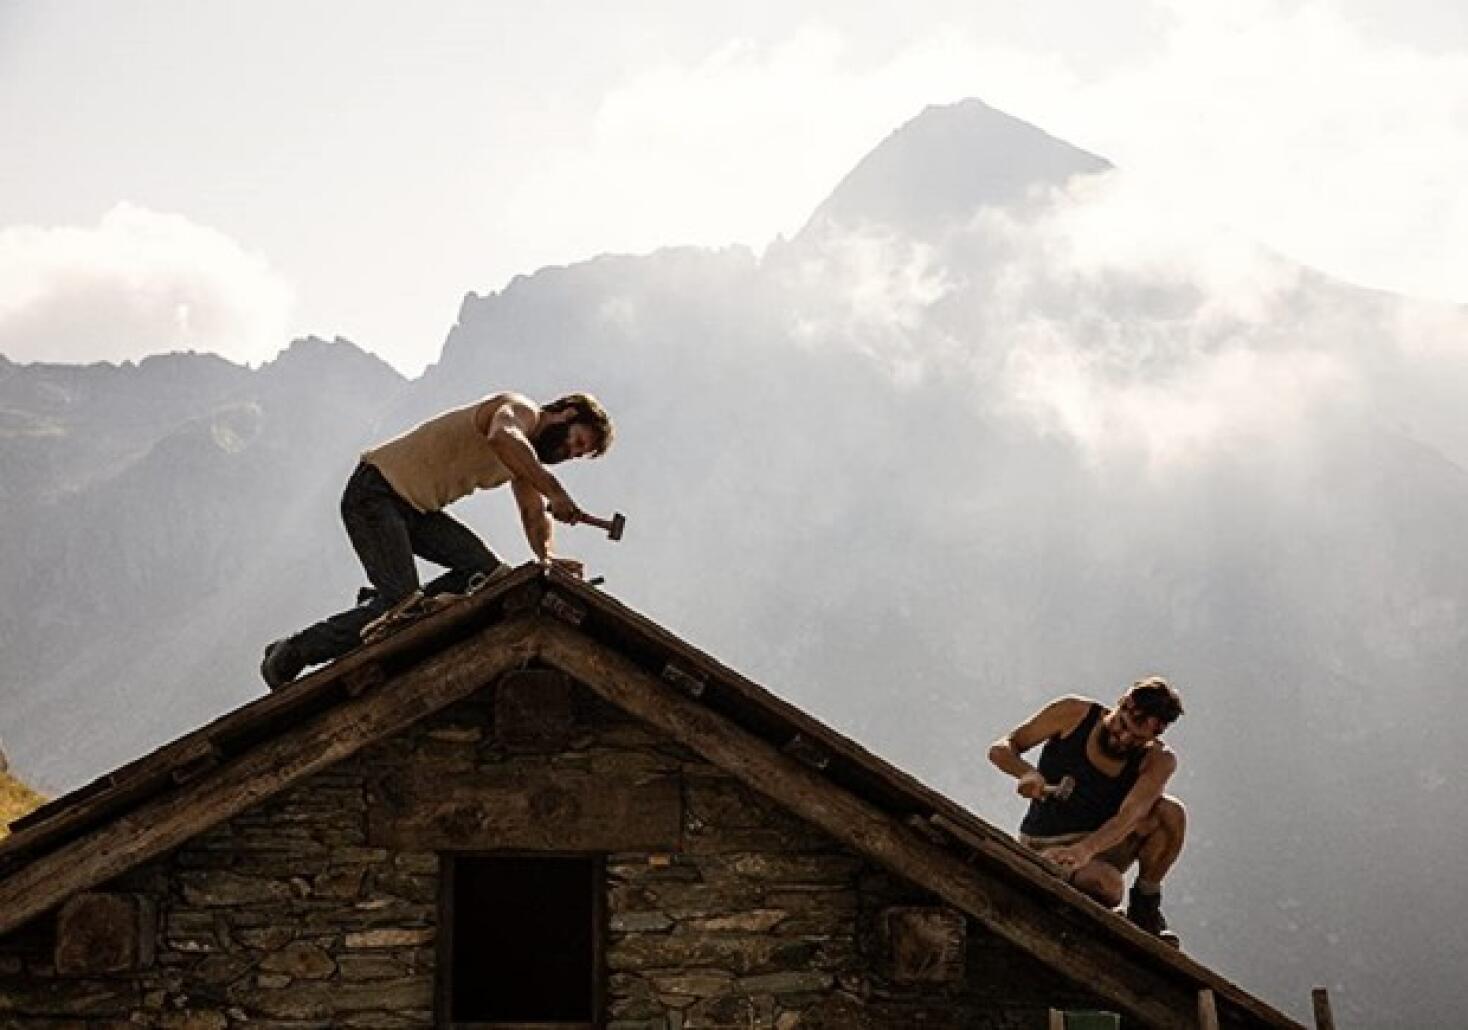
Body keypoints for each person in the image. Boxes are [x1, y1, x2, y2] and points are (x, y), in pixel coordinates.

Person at [260, 391, 614, 689]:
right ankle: (293, 652)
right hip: (376, 491)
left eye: (577, 455)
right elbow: (502, 437)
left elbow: (533, 514)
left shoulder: (525, 461)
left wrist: (548, 560)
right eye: (577, 442)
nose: (570, 454)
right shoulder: (520, 409)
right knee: (400, 611)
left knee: (488, 576)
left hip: (416, 510)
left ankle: (386, 602)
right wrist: (554, 489)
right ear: (567, 413)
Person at [988, 677, 1186, 942]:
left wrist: (1085, 850)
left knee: (1170, 814)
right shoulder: (1073, 713)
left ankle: (1145, 906)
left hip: (1100, 845)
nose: (1123, 739)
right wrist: (1026, 773)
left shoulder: (1158, 760)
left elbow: (1129, 817)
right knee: (1107, 885)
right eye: (1122, 725)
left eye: (1138, 739)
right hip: (1046, 841)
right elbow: (1001, 748)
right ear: (1122, 704)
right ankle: (1058, 878)